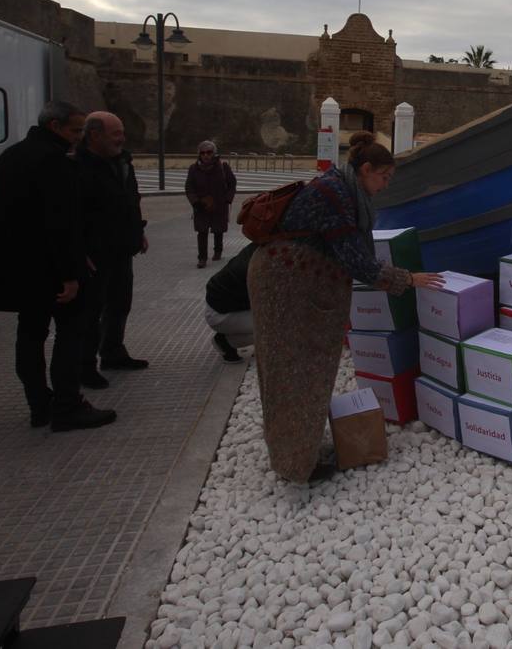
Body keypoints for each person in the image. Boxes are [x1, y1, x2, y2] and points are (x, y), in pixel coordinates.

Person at [248, 131, 444, 482]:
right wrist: (409, 279)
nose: (385, 185)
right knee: (294, 373)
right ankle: (296, 466)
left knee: (305, 371)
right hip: (287, 291)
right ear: (366, 169)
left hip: (299, 285)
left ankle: (296, 451)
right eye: (383, 177)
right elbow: (358, 262)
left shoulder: (342, 188)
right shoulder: (334, 196)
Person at [0, 100, 115, 432]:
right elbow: (60, 223)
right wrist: (71, 273)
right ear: (54, 126)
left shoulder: (9, 158)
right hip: (51, 269)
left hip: (18, 267)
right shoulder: (54, 162)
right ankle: (67, 406)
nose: (79, 137)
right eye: (75, 130)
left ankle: (38, 404)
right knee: (70, 334)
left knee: (29, 334)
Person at [75, 111, 149, 388]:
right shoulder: (79, 166)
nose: (122, 138)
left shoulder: (122, 162)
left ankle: (113, 352)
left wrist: (138, 231)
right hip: (96, 252)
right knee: (91, 311)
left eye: (122, 132)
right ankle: (85, 366)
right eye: (116, 133)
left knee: (120, 303)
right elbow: (74, 213)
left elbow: (132, 199)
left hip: (122, 247)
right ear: (94, 135)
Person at [184, 141, 236, 268]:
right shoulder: (193, 169)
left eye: (209, 152)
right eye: (202, 153)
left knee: (218, 230)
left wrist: (227, 199)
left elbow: (232, 184)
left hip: (219, 204)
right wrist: (195, 202)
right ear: (199, 155)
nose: (206, 155)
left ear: (214, 153)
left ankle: (218, 250)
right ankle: (202, 258)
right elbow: (189, 188)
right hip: (201, 205)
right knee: (202, 231)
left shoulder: (223, 167)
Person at [205, 241, 258, 363]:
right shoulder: (262, 262)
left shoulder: (260, 246)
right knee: (277, 324)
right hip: (220, 313)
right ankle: (225, 342)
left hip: (224, 306)